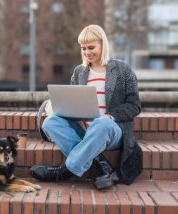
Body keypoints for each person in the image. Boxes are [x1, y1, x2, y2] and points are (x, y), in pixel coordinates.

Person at [30, 24, 142, 190]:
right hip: (84, 130)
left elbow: (134, 105)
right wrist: (62, 110)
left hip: (111, 130)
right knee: (50, 122)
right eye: (83, 48)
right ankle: (100, 164)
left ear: (103, 45)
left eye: (91, 47)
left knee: (101, 123)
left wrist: (110, 116)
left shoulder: (122, 70)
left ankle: (66, 170)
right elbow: (72, 103)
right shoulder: (79, 72)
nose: (87, 52)